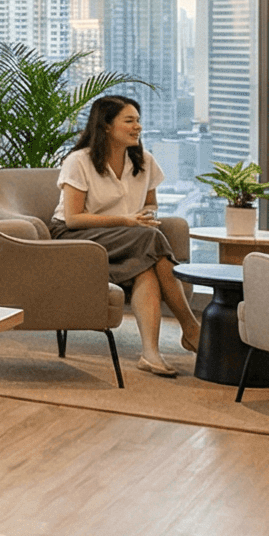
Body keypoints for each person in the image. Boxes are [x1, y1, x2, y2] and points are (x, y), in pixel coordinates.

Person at [54, 95, 205, 379]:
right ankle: (191, 328)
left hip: (128, 238)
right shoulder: (79, 161)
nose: (138, 127)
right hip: (77, 238)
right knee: (151, 242)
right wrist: (126, 220)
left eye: (138, 120)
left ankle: (150, 353)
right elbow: (73, 218)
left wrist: (143, 218)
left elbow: (150, 204)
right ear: (107, 126)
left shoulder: (144, 161)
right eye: (129, 120)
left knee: (145, 267)